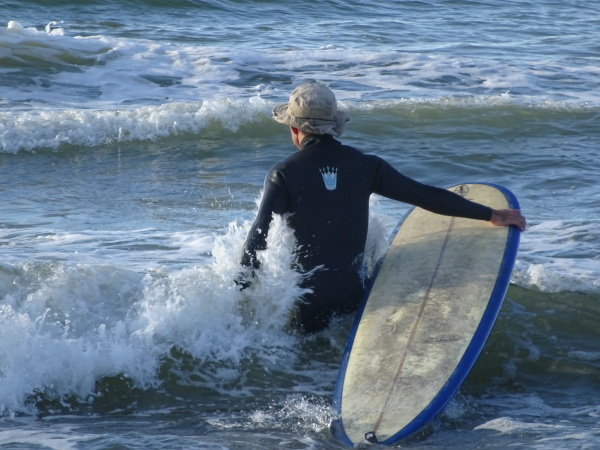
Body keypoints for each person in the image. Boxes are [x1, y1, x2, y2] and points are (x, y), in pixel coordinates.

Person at [238, 82, 526, 333]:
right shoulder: (367, 166)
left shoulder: (284, 173)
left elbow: (259, 235)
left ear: (293, 128)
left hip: (307, 300)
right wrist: (491, 214)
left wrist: (238, 292)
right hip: (356, 294)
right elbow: (425, 195)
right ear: (333, 125)